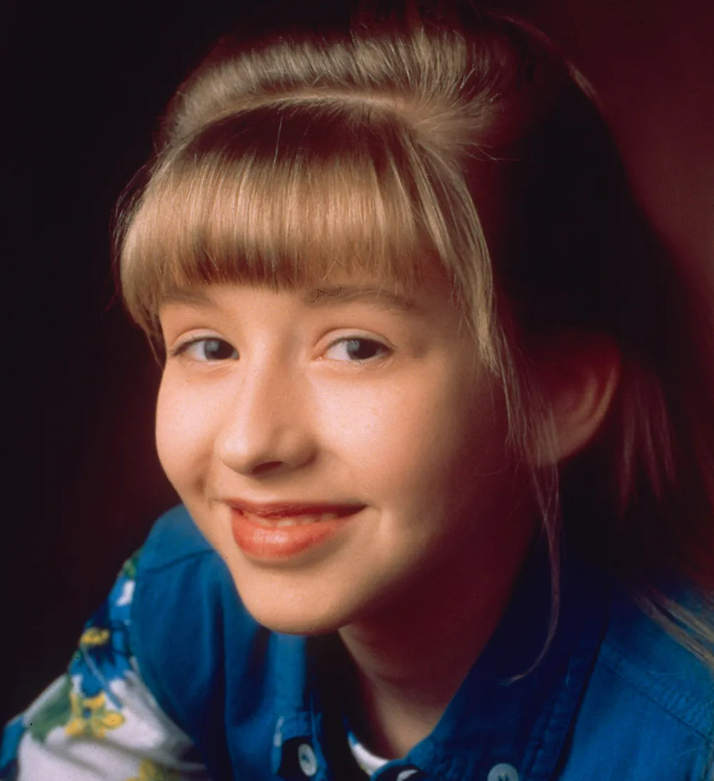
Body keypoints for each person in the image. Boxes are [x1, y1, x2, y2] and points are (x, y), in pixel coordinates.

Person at [2, 2, 713, 779]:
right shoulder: (185, 595)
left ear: (558, 393)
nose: (250, 442)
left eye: (355, 347)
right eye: (209, 346)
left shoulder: (685, 746)